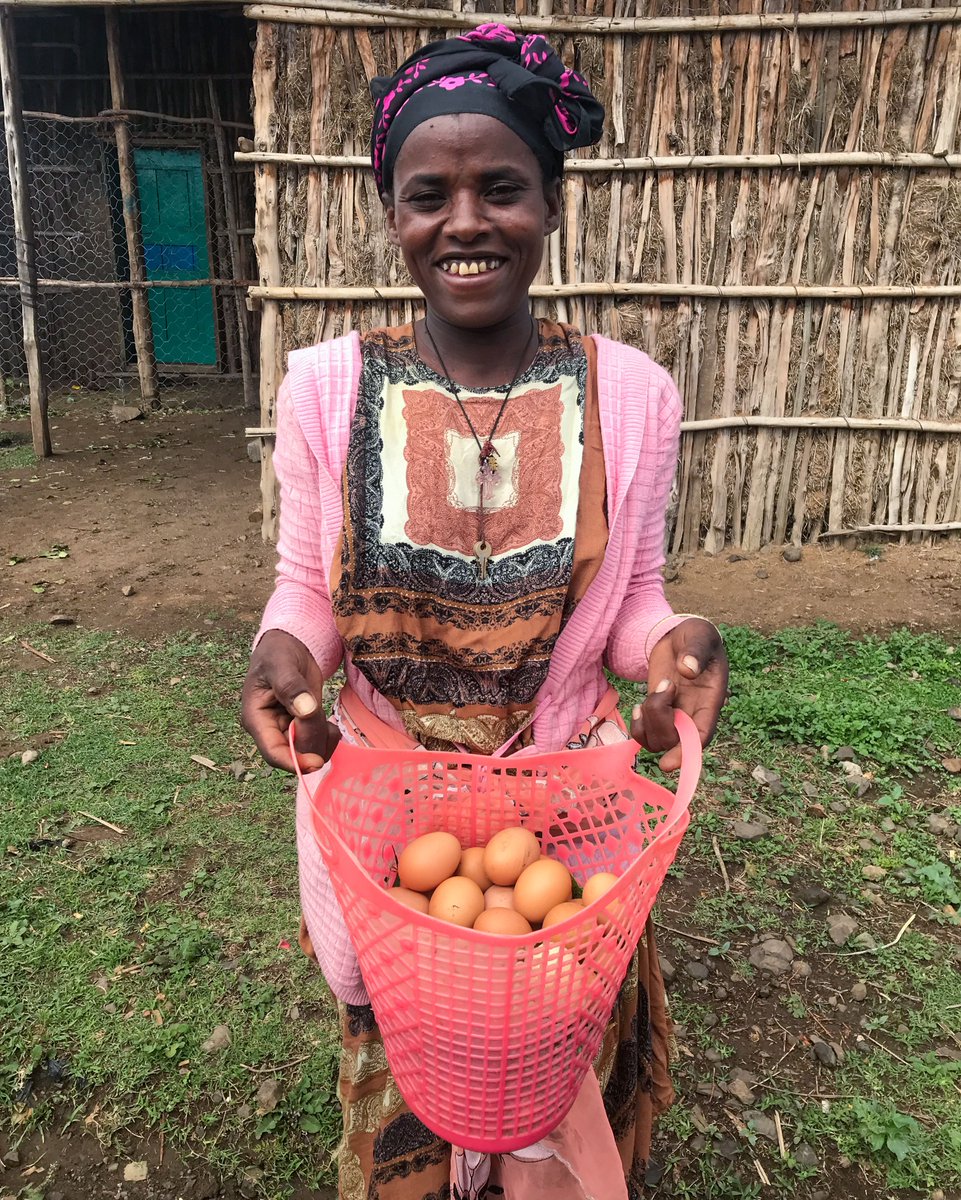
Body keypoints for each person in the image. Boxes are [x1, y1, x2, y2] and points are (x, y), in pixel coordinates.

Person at [241, 23, 728, 1200]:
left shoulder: (628, 394)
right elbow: (310, 587)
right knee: (412, 1033)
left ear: (551, 203)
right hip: (383, 812)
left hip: (558, 807)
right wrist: (277, 657)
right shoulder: (327, 389)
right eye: (428, 195)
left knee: (545, 1028)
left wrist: (674, 650)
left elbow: (636, 599)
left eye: (501, 187)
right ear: (393, 217)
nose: (465, 222)